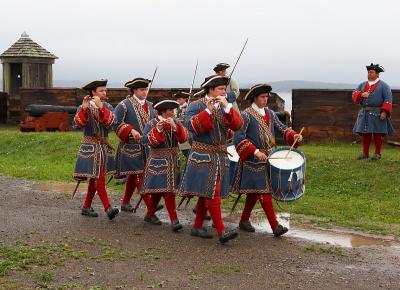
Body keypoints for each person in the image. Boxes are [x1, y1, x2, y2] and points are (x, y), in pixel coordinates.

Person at [232, 84, 303, 236]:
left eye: (267, 97)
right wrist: (256, 151)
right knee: (264, 192)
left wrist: (294, 136)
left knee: (254, 193)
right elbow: (238, 138)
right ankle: (275, 226)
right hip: (252, 160)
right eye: (262, 97)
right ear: (254, 98)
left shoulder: (270, 113)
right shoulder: (245, 115)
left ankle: (244, 220)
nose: (266, 100)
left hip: (268, 159)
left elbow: (282, 128)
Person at [180, 75, 243, 244]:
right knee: (211, 191)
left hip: (220, 156)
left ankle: (197, 226)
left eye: (225, 89)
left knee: (205, 193)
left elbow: (238, 125)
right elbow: (192, 127)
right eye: (221, 89)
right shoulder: (196, 106)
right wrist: (207, 111)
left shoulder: (225, 106)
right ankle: (222, 230)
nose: (224, 92)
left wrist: (228, 108)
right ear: (210, 90)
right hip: (202, 155)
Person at [114, 78, 162, 212]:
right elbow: (115, 122)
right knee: (139, 176)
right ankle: (151, 206)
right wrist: (129, 129)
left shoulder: (152, 106)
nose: (145, 92)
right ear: (134, 90)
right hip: (129, 147)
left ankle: (125, 203)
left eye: (146, 89)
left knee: (134, 175)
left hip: (146, 147)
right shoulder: (123, 105)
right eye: (142, 89)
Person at [73, 79, 119, 220]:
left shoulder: (108, 106)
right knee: (98, 178)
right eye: (101, 91)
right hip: (90, 147)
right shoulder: (83, 107)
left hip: (104, 147)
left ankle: (86, 206)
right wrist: (84, 109)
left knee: (95, 178)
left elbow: (112, 123)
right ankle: (108, 208)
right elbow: (78, 124)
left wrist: (101, 107)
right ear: (93, 92)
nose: (104, 93)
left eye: (105, 90)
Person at [141, 99, 189, 231]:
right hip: (158, 161)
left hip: (173, 160)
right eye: (171, 110)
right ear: (163, 111)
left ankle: (149, 215)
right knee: (168, 191)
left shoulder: (176, 122)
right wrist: (158, 129)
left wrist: (175, 127)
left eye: (174, 110)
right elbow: (145, 140)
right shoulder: (152, 123)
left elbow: (185, 138)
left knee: (160, 190)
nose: (173, 113)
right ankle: (174, 220)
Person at [352, 63, 394, 160]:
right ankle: (365, 154)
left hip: (377, 113)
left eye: (371, 72)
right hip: (364, 113)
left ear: (377, 74)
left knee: (377, 134)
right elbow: (354, 94)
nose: (369, 74)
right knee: (365, 133)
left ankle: (377, 154)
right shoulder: (362, 84)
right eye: (368, 72)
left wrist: (384, 112)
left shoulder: (384, 86)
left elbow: (388, 99)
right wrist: (361, 95)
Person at [174, 91, 191, 158]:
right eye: (177, 99)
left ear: (184, 99)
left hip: (185, 131)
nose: (178, 100)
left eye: (179, 99)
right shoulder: (175, 108)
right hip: (177, 130)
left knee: (187, 151)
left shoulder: (189, 107)